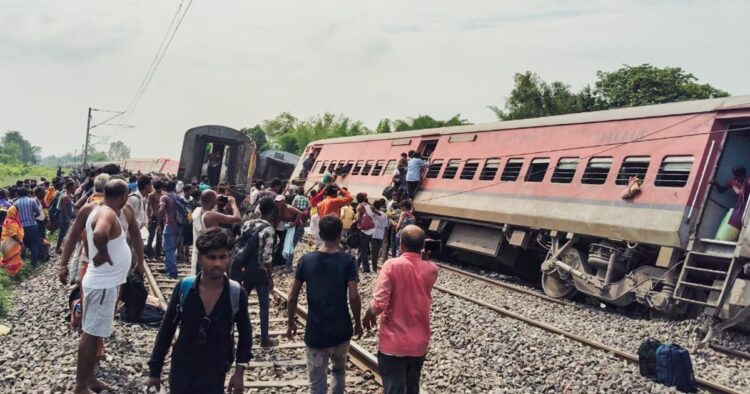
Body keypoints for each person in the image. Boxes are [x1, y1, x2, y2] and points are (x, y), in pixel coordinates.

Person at [147, 228, 251, 394]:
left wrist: (239, 372)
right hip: (183, 368)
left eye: (222, 257)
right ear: (201, 258)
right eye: (212, 257)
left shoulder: (236, 293)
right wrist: (154, 371)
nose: (217, 263)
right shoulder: (185, 288)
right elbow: (167, 330)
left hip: (216, 370)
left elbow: (246, 335)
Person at [286, 215, 363, 394]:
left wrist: (291, 322)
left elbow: (292, 296)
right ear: (339, 236)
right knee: (339, 371)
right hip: (341, 330)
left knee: (317, 382)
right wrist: (357, 323)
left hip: (316, 331)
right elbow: (354, 296)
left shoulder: (306, 260)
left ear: (319, 233)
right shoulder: (348, 261)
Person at [73, 179, 133, 394]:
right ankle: (80, 386)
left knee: (95, 333)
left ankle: (89, 379)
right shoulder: (108, 213)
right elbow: (100, 234)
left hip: (103, 283)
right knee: (89, 334)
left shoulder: (99, 209)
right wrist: (104, 253)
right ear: (124, 196)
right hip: (102, 285)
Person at [363, 225, 438, 394]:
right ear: (422, 246)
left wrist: (368, 315)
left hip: (394, 343)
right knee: (413, 388)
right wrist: (423, 257)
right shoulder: (432, 269)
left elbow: (379, 304)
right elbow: (423, 269)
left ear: (401, 244)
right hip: (419, 343)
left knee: (394, 389)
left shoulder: (391, 265)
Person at [232, 197, 278, 347]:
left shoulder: (247, 223)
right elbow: (267, 257)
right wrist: (270, 277)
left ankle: (229, 333)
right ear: (271, 212)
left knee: (238, 303)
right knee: (263, 306)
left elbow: (238, 246)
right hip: (259, 272)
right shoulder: (269, 229)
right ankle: (264, 339)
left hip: (245, 270)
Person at [191, 190, 242, 274]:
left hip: (199, 251)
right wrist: (233, 203)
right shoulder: (211, 216)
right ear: (212, 201)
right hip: (212, 251)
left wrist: (213, 199)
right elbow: (237, 218)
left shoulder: (197, 212)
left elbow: (208, 202)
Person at [712, 165, 750, 241]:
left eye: (741, 175)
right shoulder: (733, 181)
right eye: (737, 176)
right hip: (740, 207)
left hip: (747, 206)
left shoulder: (748, 181)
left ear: (744, 174)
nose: (739, 178)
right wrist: (715, 183)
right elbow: (722, 190)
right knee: (736, 224)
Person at [13, 187, 41, 267]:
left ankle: (22, 264)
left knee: (22, 244)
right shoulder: (32, 200)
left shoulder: (16, 203)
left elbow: (15, 216)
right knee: (34, 245)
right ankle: (34, 264)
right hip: (32, 225)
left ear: (18, 194)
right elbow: (38, 213)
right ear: (26, 193)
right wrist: (32, 218)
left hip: (21, 227)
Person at [158, 181, 181, 278]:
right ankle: (167, 268)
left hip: (170, 225)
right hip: (179, 226)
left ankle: (172, 272)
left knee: (168, 249)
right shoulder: (177, 196)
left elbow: (161, 209)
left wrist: (158, 224)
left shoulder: (164, 197)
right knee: (171, 248)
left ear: (164, 187)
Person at [0, 206, 25, 275]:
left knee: (8, 259)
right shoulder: (12, 222)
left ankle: (6, 275)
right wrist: (21, 243)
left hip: (6, 244)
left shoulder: (7, 220)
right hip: (10, 245)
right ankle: (12, 276)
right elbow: (13, 235)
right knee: (13, 260)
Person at [354, 193, 375, 272]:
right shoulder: (368, 205)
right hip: (371, 229)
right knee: (364, 249)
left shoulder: (359, 207)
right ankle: (357, 266)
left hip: (364, 230)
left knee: (363, 250)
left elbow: (358, 219)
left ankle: (366, 269)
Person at [56, 180, 77, 253]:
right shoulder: (65, 197)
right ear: (70, 187)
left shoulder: (69, 196)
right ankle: (58, 248)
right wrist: (67, 218)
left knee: (64, 233)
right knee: (62, 234)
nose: (75, 188)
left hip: (66, 218)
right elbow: (63, 209)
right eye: (74, 187)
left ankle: (61, 247)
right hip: (64, 219)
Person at [146, 180, 164, 258]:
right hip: (154, 217)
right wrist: (149, 218)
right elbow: (149, 207)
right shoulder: (152, 195)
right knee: (152, 235)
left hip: (161, 218)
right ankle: (149, 252)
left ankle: (157, 254)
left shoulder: (163, 195)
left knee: (159, 236)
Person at [370, 199, 388, 272]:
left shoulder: (372, 214)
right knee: (377, 252)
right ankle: (375, 267)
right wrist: (385, 236)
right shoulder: (384, 215)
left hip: (373, 235)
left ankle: (374, 268)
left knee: (374, 252)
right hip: (381, 235)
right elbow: (386, 227)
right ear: (380, 206)